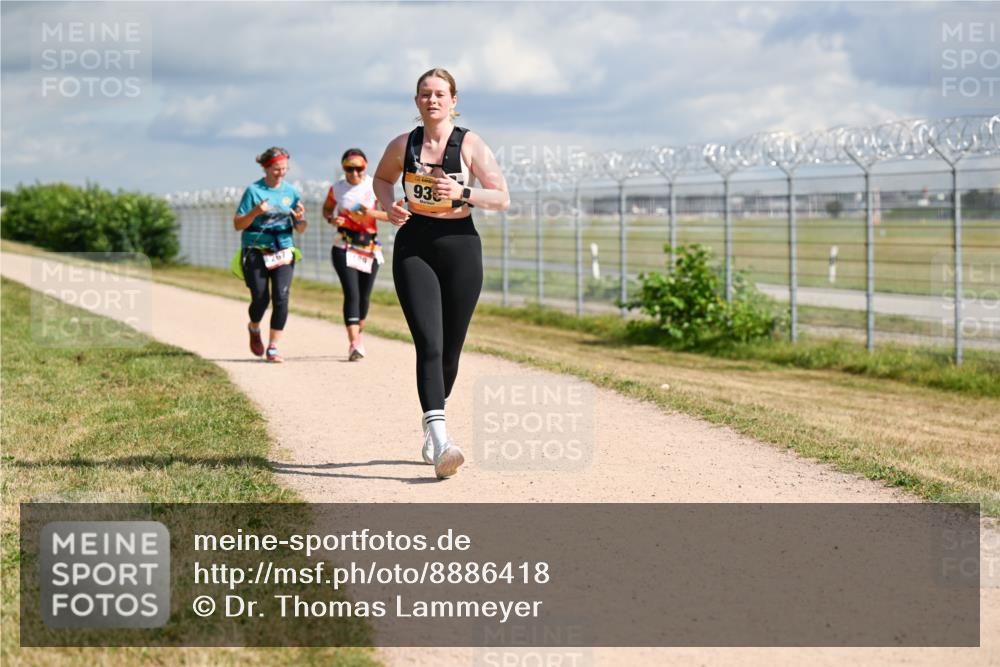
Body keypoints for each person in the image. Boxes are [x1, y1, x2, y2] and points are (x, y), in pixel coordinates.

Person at [373, 68, 509, 479]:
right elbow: (382, 179)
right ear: (416, 101)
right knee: (429, 343)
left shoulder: (470, 144)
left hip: (460, 246)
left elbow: (501, 197)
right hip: (414, 246)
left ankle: (433, 417)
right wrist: (390, 206)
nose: (432, 100)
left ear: (453, 100)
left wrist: (463, 192)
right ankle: (442, 440)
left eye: (439, 94)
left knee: (450, 350)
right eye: (425, 94)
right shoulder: (403, 144)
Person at [233, 147, 307, 363]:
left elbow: (301, 228)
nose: (281, 173)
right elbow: (238, 224)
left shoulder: (291, 192)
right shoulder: (253, 191)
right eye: (276, 169)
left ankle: (273, 346)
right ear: (266, 168)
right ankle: (254, 327)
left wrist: (300, 219)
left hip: (283, 249)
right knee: (260, 298)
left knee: (281, 297)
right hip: (256, 249)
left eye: (284, 169)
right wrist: (255, 212)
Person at [323, 148, 389, 361]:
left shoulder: (375, 186)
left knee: (364, 296)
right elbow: (327, 210)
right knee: (352, 293)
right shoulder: (337, 188)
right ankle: (354, 343)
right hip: (344, 245)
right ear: (343, 169)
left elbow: (389, 214)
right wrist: (332, 219)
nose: (354, 173)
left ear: (365, 167)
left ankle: (358, 337)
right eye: (349, 169)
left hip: (369, 247)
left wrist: (369, 213)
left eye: (358, 169)